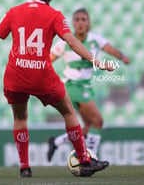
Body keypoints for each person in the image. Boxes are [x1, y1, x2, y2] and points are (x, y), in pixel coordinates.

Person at [0, 0, 113, 178]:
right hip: (41, 76)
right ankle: (83, 160)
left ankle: (25, 168)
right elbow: (72, 42)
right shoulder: (54, 15)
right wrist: (95, 61)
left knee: (20, 119)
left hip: (15, 75)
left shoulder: (14, 11)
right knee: (68, 113)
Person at [47, 8, 130, 161]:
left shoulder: (94, 39)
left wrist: (122, 57)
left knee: (87, 127)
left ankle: (56, 142)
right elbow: (47, 61)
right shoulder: (65, 42)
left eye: (83, 19)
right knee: (98, 122)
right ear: (72, 23)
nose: (80, 23)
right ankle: (89, 158)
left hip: (86, 87)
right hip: (72, 86)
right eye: (77, 19)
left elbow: (110, 49)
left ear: (88, 23)